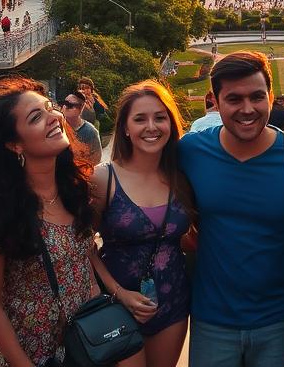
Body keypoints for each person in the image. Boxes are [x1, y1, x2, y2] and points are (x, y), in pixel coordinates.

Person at [178, 50, 284, 367]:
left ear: (271, 95)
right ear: (215, 100)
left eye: (257, 97)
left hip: (281, 323)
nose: (248, 109)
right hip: (212, 322)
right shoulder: (191, 150)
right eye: (234, 99)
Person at [0, 78, 96, 367]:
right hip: (22, 355)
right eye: (37, 117)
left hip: (76, 351)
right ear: (14, 144)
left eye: (50, 108)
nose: (55, 117)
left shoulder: (74, 191)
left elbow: (83, 263)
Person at [92, 81, 192, 367]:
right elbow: (82, 244)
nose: (152, 126)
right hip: (116, 305)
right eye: (140, 119)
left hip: (172, 302)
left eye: (160, 117)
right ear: (125, 127)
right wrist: (119, 293)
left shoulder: (181, 176)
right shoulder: (104, 179)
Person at [61, 91, 103, 162]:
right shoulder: (57, 126)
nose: (65, 107)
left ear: (81, 108)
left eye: (70, 105)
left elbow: (96, 159)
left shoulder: (90, 131)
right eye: (65, 103)